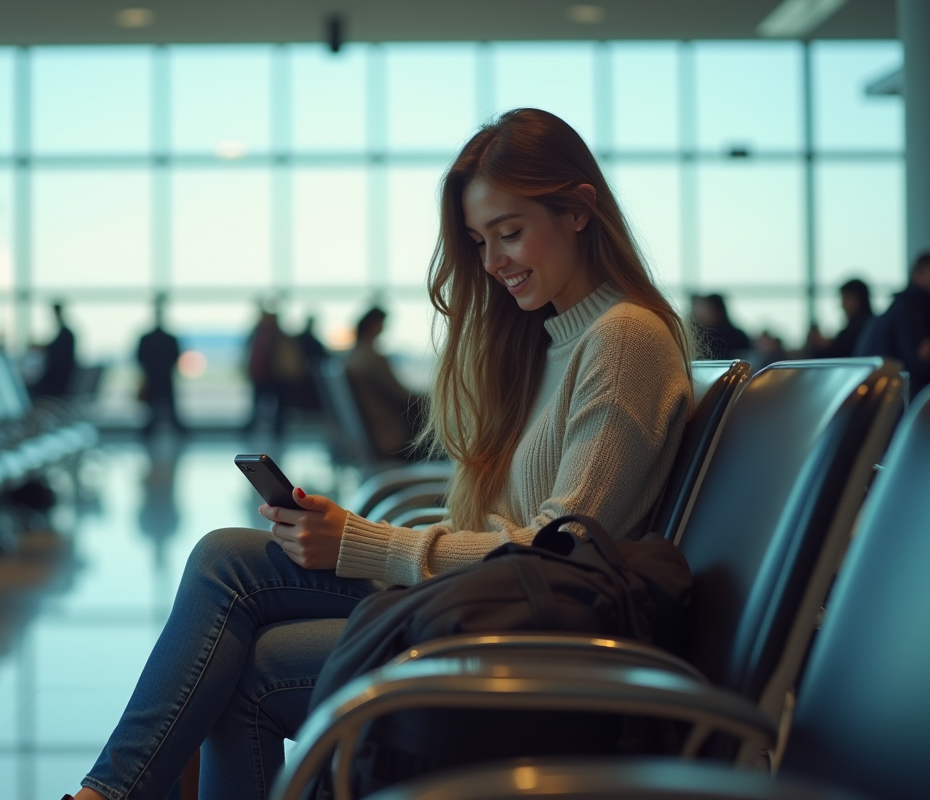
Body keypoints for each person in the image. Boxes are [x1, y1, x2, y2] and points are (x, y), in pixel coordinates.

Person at [64, 108, 693, 800]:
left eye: (509, 233)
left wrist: (363, 544)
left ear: (578, 210)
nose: (492, 264)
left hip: (537, 641)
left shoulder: (624, 339)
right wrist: (356, 542)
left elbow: (553, 556)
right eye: (481, 241)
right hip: (487, 604)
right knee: (224, 557)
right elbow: (509, 543)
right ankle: (104, 795)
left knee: (253, 667)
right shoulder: (549, 342)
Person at [344, 306, 423, 458]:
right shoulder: (373, 358)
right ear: (374, 325)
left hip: (371, 430)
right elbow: (402, 395)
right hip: (389, 433)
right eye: (382, 323)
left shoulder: (354, 357)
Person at [855, 252, 930, 397]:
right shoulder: (909, 310)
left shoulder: (905, 306)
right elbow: (917, 361)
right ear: (917, 275)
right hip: (887, 398)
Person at [136, 295, 184, 434]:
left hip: (153, 376)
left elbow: (139, 357)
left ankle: (151, 429)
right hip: (163, 376)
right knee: (166, 405)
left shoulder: (147, 339)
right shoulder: (169, 339)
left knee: (156, 407)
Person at [805, 278, 873, 359]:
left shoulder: (859, 329)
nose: (842, 305)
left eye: (845, 299)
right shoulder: (868, 326)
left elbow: (839, 352)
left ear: (856, 299)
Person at [31, 302, 77, 397]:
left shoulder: (65, 335)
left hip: (57, 385)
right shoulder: (67, 334)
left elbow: (53, 351)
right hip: (62, 382)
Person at [691, 293, 751, 359]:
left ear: (718, 310)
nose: (701, 314)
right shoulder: (699, 336)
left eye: (706, 309)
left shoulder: (737, 336)